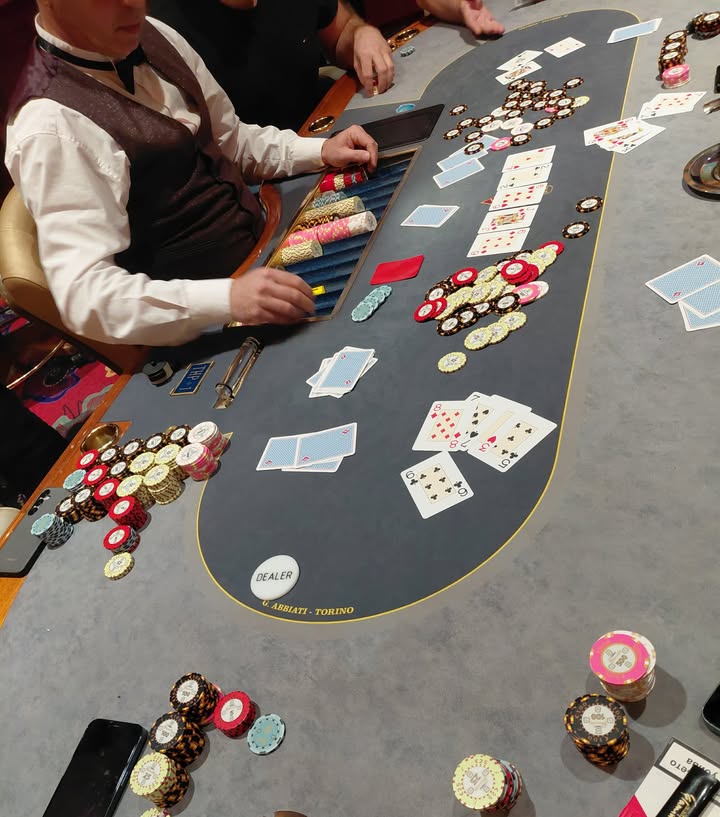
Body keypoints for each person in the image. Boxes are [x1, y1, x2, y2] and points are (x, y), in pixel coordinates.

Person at [4, 0, 378, 348]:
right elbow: (88, 298)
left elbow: (233, 141)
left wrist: (319, 150)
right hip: (207, 334)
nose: (133, 3)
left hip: (268, 245)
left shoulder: (153, 32)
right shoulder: (48, 128)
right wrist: (227, 299)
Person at [150, 0, 396, 129]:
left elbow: (342, 32)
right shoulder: (161, 27)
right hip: (255, 178)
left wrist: (360, 34)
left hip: (324, 132)